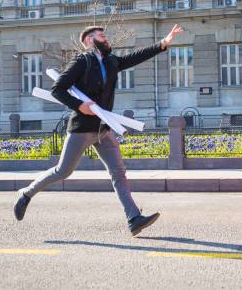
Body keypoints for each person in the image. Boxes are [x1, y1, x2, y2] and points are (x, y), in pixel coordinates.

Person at [14, 24, 183, 236]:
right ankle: (26, 194)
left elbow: (135, 57)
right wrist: (80, 105)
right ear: (89, 41)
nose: (106, 38)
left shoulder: (112, 62)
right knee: (63, 171)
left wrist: (163, 43)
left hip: (104, 128)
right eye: (101, 36)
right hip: (82, 129)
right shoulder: (81, 62)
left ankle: (133, 219)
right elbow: (57, 89)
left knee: (118, 173)